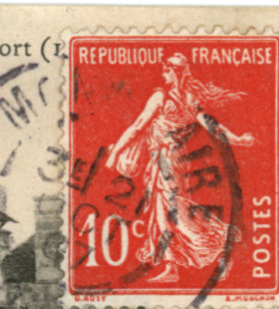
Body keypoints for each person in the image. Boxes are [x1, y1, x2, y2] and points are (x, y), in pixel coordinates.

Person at [105, 53, 256, 283]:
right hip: (174, 161)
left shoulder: (161, 96)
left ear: (174, 72)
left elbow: (137, 127)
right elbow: (213, 126)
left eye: (166, 70)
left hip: (166, 162)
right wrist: (237, 139)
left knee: (173, 213)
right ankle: (172, 266)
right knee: (164, 213)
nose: (162, 74)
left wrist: (115, 153)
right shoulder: (188, 97)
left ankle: (223, 245)